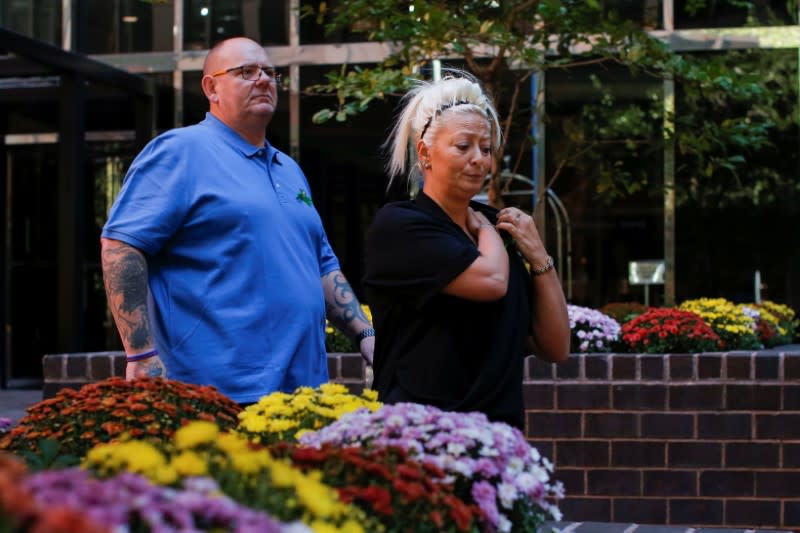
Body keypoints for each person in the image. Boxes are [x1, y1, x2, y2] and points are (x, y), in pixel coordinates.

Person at [100, 37, 374, 404]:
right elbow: (121, 245)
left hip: (305, 394)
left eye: (269, 72)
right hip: (215, 393)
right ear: (211, 87)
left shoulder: (289, 169)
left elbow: (321, 264)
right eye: (246, 72)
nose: (263, 79)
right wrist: (141, 355)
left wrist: (365, 334)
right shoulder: (180, 151)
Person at [363, 73, 570, 429]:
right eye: (463, 146)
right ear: (425, 152)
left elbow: (555, 347)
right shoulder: (400, 226)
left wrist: (539, 258)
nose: (480, 160)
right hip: (422, 437)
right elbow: (491, 281)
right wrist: (488, 230)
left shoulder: (503, 230)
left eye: (486, 148)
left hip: (499, 439)